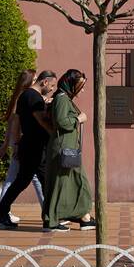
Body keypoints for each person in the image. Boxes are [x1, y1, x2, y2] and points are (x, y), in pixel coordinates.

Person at [0, 69, 55, 229]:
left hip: (28, 144)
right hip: (35, 145)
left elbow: (17, 123)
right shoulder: (34, 98)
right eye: (52, 85)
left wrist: (17, 144)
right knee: (41, 181)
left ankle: (2, 212)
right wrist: (55, 133)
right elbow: (41, 120)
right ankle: (50, 218)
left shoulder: (24, 96)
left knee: (26, 180)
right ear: (44, 82)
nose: (52, 89)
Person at [43, 69, 95, 232]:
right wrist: (79, 119)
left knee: (75, 182)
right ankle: (52, 221)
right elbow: (61, 121)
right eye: (79, 86)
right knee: (61, 183)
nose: (81, 90)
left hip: (67, 147)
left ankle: (83, 216)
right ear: (71, 84)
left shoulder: (62, 98)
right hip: (63, 148)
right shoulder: (62, 99)